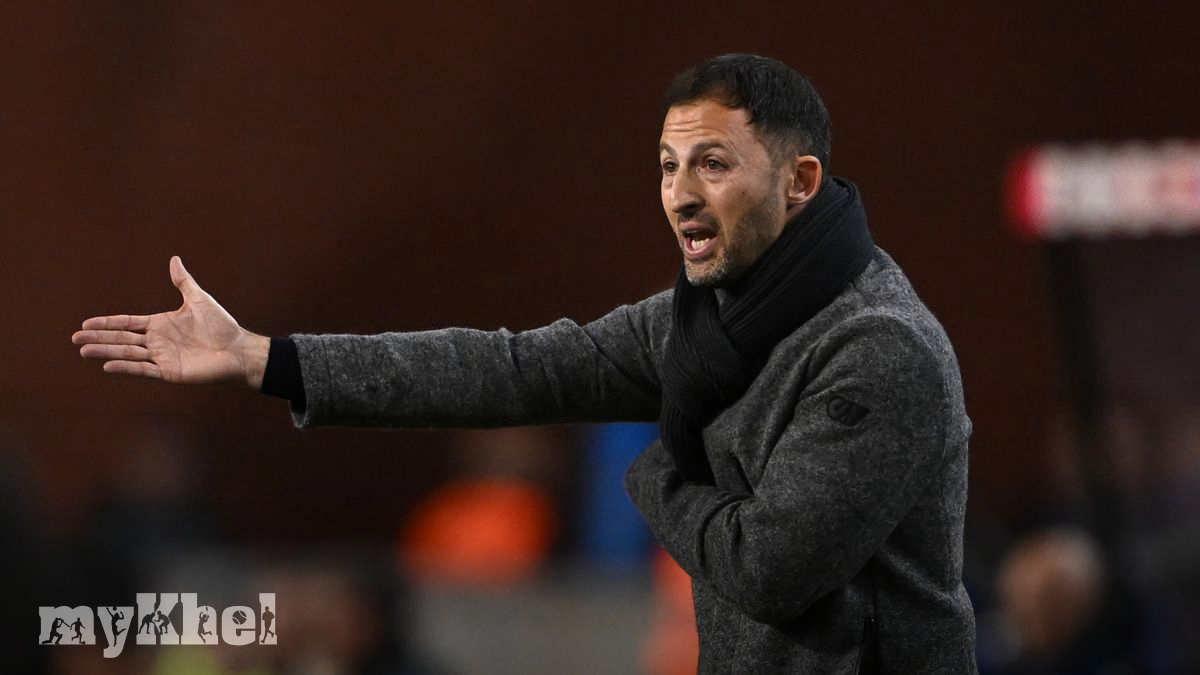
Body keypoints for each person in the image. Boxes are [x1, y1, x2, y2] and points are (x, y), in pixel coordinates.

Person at [72, 53, 975, 673]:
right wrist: (270, 359)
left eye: (712, 164)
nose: (679, 195)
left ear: (800, 182)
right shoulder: (703, 319)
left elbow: (770, 568)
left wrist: (657, 474)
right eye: (667, 166)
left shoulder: (878, 350)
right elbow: (508, 369)